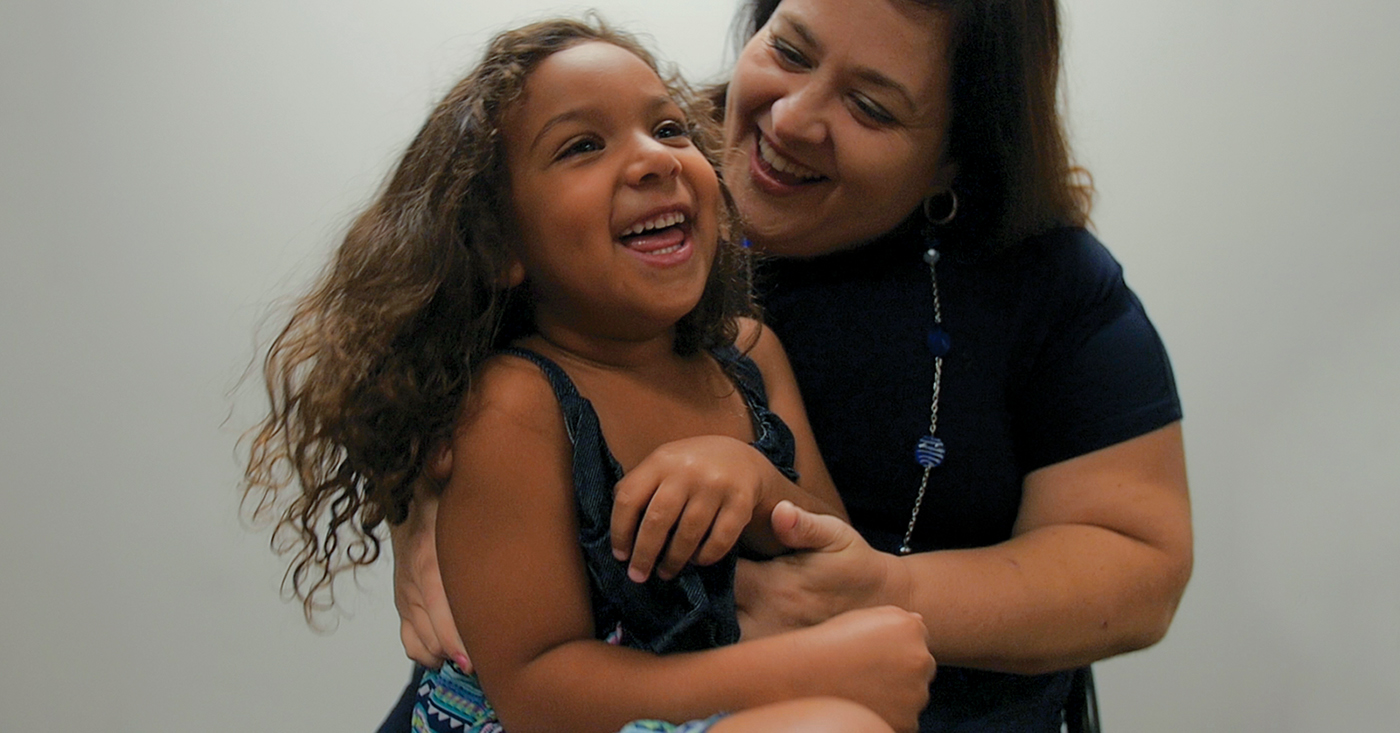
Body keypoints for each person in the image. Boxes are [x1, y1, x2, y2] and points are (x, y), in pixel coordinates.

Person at [386, 0, 1193, 731]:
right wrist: (423, 484)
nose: (793, 118)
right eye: (792, 51)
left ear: (957, 160)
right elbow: (410, 321)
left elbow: (1138, 562)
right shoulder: (648, 156)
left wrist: (876, 592)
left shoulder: (1040, 280)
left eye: (872, 106)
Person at [244, 16, 936, 733]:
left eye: (669, 130)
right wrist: (802, 670)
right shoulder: (516, 406)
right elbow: (539, 692)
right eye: (582, 146)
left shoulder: (751, 357)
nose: (654, 160)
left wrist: (756, 483)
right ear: (498, 244)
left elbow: (836, 562)